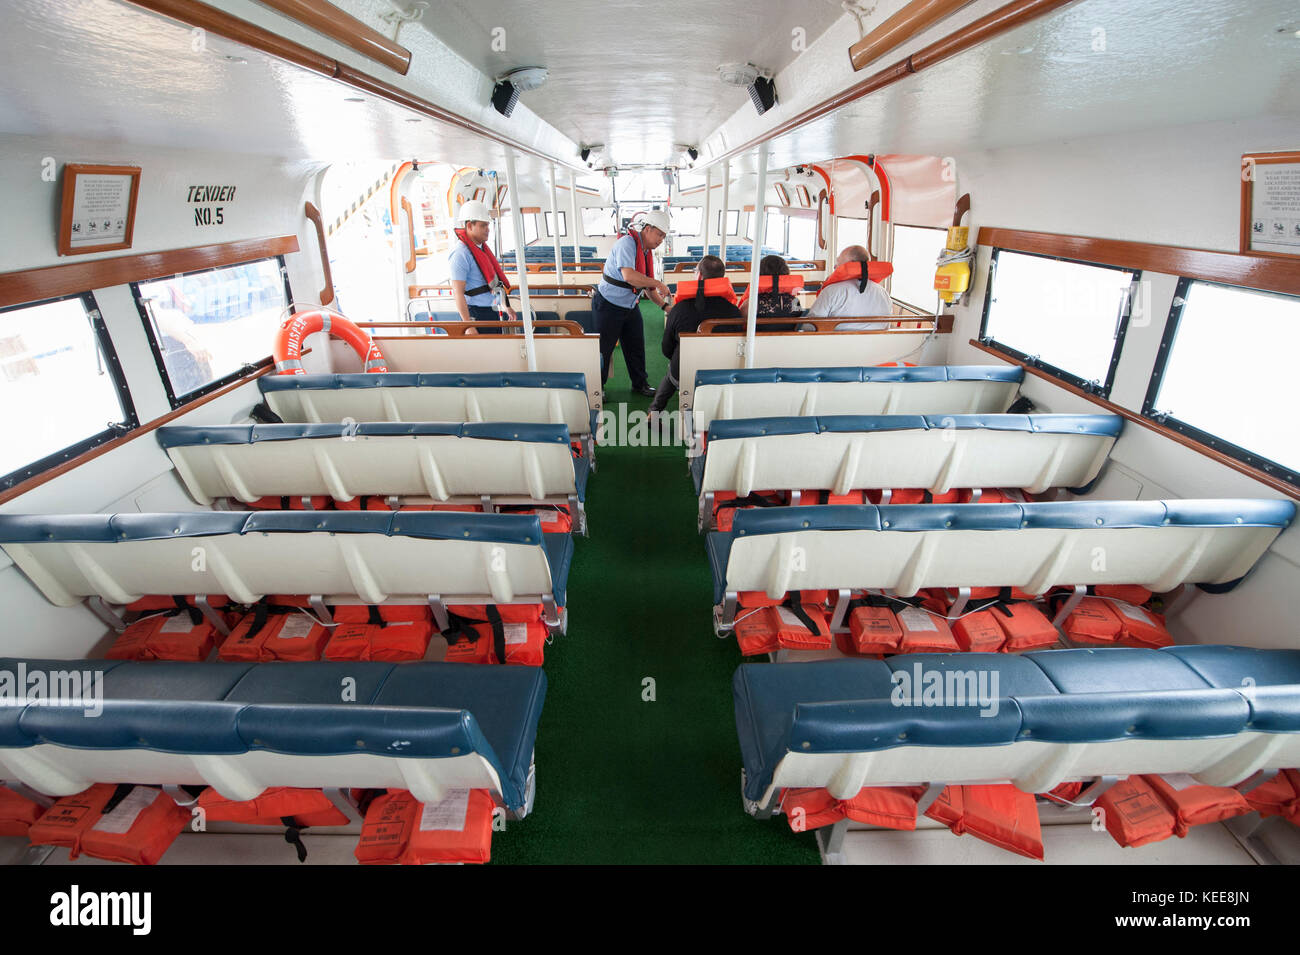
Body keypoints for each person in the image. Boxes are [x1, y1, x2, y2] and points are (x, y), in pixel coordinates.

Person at [649, 255, 741, 413]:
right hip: (721, 373)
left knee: (673, 368)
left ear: (699, 275)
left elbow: (666, 348)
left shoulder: (678, 310)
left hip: (683, 373)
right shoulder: (734, 312)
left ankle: (655, 411)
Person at [594, 210, 672, 396]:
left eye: (664, 236)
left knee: (636, 346)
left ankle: (640, 384)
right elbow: (630, 277)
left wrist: (666, 307)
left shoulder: (645, 252)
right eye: (659, 234)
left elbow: (648, 288)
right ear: (648, 229)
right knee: (604, 349)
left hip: (629, 306)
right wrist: (658, 283)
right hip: (608, 304)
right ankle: (598, 389)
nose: (661, 239)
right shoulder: (626, 244)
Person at [449, 199, 517, 335]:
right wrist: (468, 325)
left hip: (491, 311)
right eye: (483, 226)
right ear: (469, 226)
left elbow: (493, 284)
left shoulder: (481, 249)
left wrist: (505, 306)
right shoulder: (460, 254)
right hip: (476, 314)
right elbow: (458, 293)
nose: (488, 229)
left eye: (487, 225)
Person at [804, 245, 893, 330]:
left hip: (836, 344)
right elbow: (887, 325)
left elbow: (811, 326)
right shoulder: (883, 293)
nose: (835, 266)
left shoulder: (831, 291)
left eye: (838, 262)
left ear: (851, 264)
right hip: (877, 344)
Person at [735, 254, 802, 332]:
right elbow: (797, 325)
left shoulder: (752, 302)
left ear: (759, 273)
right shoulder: (795, 301)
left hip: (757, 343)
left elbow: (739, 325)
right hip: (789, 342)